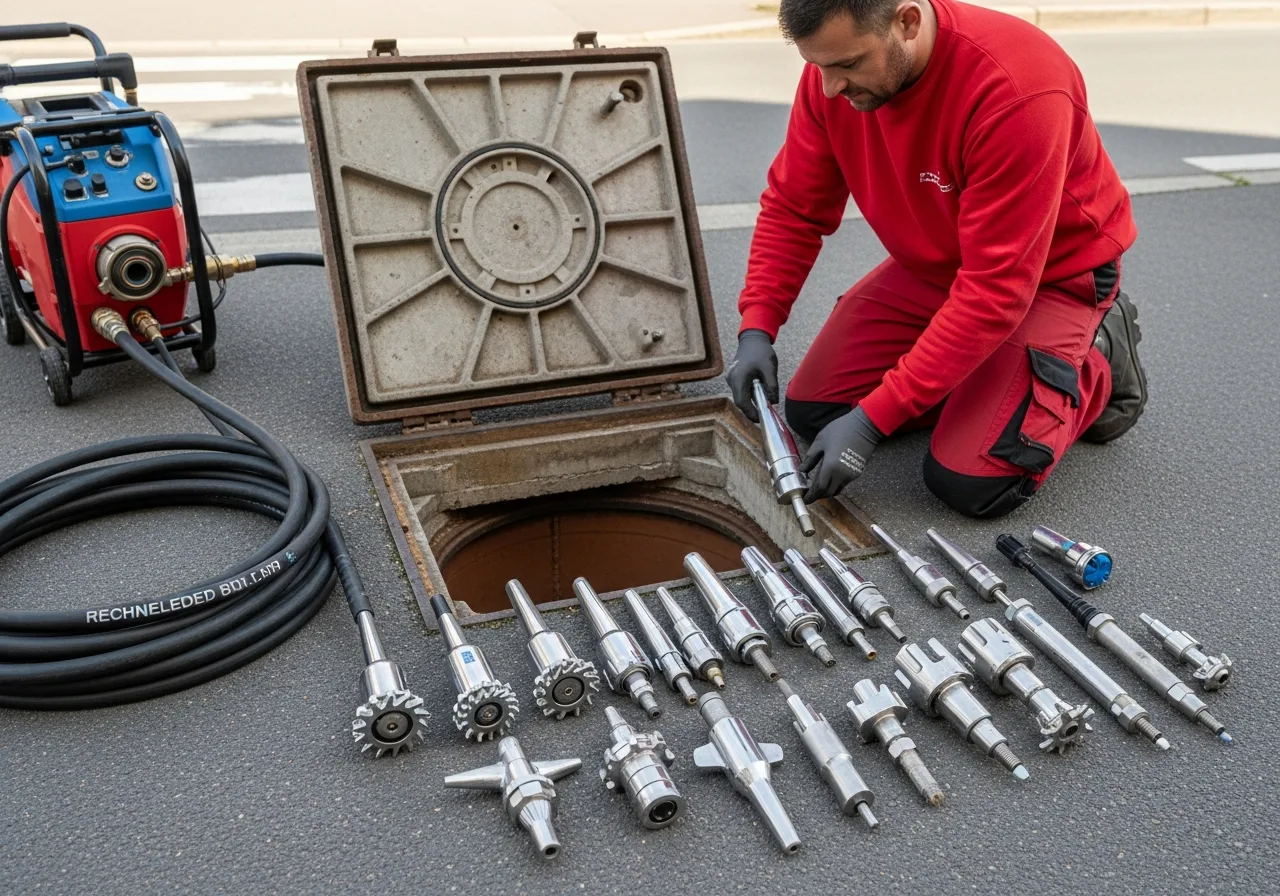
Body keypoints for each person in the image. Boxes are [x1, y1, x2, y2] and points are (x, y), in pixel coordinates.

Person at [725, 0, 1148, 518]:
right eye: (818, 66)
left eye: (849, 65)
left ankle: (1096, 357)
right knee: (816, 411)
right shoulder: (831, 77)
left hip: (1052, 276)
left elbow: (996, 290)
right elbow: (794, 208)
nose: (830, 88)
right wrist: (757, 327)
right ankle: (989, 372)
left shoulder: (1017, 86)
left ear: (906, 21)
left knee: (970, 481)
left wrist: (873, 421)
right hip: (938, 269)